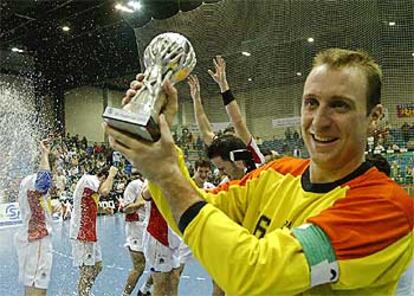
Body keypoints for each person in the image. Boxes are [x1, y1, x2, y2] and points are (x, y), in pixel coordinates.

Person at [105, 48, 414, 294]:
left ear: (374, 117)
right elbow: (192, 210)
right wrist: (157, 139)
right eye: (311, 103)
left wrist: (168, 173)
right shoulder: (277, 173)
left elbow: (254, 274)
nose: (319, 121)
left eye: (340, 105)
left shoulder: (387, 209)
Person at [188, 56, 265, 165]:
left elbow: (237, 121)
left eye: (232, 137)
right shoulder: (223, 150)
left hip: (259, 179)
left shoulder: (246, 147)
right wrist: (196, 99)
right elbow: (205, 131)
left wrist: (223, 85)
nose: (229, 141)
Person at [14, 139, 60, 296]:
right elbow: (43, 182)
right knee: (38, 290)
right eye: (56, 169)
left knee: (31, 286)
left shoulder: (27, 181)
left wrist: (50, 210)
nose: (56, 173)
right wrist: (45, 153)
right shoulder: (37, 181)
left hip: (30, 237)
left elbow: (35, 204)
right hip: (37, 239)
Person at [69, 165, 118, 296]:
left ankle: (85, 292)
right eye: (108, 180)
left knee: (97, 266)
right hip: (81, 231)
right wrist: (112, 174)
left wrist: (103, 210)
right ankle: (82, 293)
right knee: (87, 270)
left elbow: (90, 203)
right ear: (103, 177)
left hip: (89, 232)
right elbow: (105, 191)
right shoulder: (88, 180)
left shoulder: (92, 187)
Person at [121, 174, 147, 296]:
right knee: (139, 266)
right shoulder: (134, 185)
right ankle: (125, 294)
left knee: (164, 265)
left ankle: (144, 289)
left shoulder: (156, 184)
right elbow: (126, 209)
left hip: (152, 228)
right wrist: (142, 202)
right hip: (136, 228)